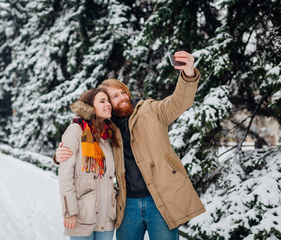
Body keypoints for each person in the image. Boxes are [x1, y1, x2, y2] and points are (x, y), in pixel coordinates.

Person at [55, 51, 205, 240]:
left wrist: (188, 75)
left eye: (123, 92)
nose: (123, 97)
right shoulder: (107, 129)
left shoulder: (151, 110)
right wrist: (59, 154)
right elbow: (84, 146)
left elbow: (179, 102)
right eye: (115, 96)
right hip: (127, 205)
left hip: (159, 200)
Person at [58, 88, 120, 240]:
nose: (108, 105)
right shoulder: (76, 130)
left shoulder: (109, 135)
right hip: (82, 214)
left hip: (107, 216)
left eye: (108, 101)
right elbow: (65, 175)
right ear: (90, 106)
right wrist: (69, 211)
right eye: (102, 101)